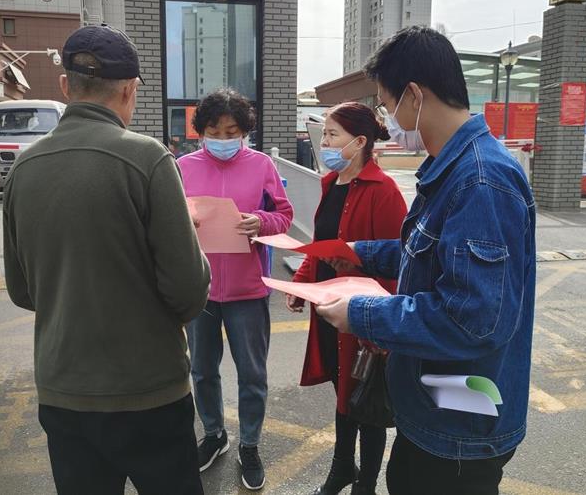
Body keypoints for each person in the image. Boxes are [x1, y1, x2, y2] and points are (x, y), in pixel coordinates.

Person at [316, 26, 536, 495]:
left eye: (387, 103)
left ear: (414, 95)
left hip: (459, 426)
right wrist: (357, 253)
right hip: (433, 408)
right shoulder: (451, 167)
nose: (388, 119)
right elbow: (426, 252)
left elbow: (472, 319)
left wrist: (361, 314)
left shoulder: (480, 181)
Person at [3, 25, 211, 495]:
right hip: (148, 390)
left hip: (64, 391)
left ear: (65, 86)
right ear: (129, 89)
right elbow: (187, 291)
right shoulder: (147, 159)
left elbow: (21, 290)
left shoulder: (24, 167)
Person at [285, 102, 407, 495]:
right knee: (343, 390)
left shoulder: (384, 191)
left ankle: (365, 483)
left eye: (333, 135)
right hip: (328, 307)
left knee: (366, 397)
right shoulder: (329, 184)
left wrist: (381, 324)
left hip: (363, 314)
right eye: (323, 134)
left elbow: (398, 262)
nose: (325, 143)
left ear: (360, 141)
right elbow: (322, 243)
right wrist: (301, 282)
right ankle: (342, 468)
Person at [177, 88, 294, 491]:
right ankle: (214, 434)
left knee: (252, 374)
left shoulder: (261, 164)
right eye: (214, 131)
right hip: (201, 288)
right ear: (201, 131)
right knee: (201, 370)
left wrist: (261, 221)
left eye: (232, 132)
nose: (223, 139)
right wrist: (185, 223)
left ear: (245, 131)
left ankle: (250, 444)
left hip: (248, 288)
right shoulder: (183, 167)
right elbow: (168, 218)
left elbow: (284, 214)